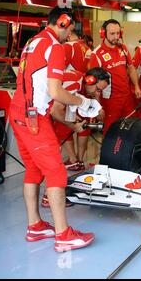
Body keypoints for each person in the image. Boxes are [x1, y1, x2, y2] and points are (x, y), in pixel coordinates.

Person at [9, 6, 95, 252]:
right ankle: (63, 234)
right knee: (56, 172)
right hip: (33, 118)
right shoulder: (55, 47)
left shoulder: (32, 42)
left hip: (19, 113)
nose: (73, 33)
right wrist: (84, 102)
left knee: (34, 170)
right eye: (72, 27)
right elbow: (56, 92)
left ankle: (34, 225)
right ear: (63, 22)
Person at [42, 67, 109, 208]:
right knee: (53, 156)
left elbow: (67, 107)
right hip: (38, 115)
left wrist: (75, 121)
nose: (98, 94)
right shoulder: (74, 84)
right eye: (97, 89)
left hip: (42, 112)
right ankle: (49, 197)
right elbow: (55, 110)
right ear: (90, 81)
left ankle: (51, 195)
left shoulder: (78, 82)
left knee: (52, 156)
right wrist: (73, 126)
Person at [88, 19, 141, 134]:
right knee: (110, 134)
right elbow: (93, 86)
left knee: (130, 130)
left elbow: (131, 68)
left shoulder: (123, 48)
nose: (116, 36)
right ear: (103, 34)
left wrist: (136, 86)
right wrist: (98, 107)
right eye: (112, 34)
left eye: (118, 33)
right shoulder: (97, 54)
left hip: (127, 98)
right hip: (110, 101)